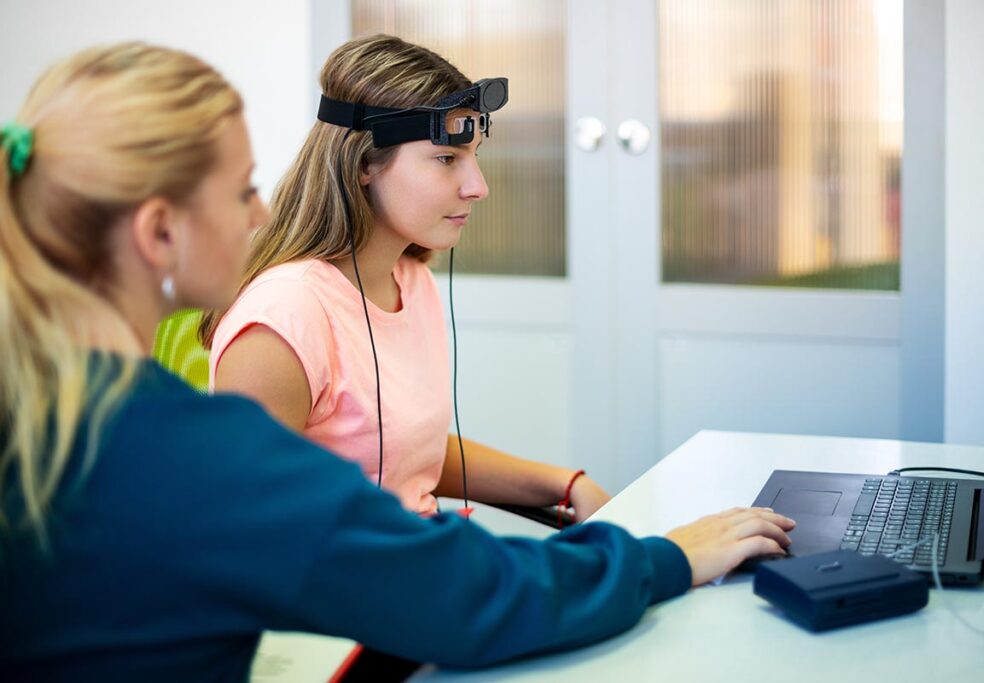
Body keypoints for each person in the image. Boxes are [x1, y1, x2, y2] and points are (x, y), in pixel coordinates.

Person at [0, 41, 795, 682]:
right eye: (241, 189)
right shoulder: (195, 448)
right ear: (157, 232)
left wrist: (560, 486)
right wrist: (665, 557)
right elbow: (463, 597)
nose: (260, 210)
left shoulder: (52, 410)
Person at [201, 34, 610, 520]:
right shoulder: (283, 320)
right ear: (364, 166)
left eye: (474, 156)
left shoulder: (411, 281)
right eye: (446, 159)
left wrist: (566, 485)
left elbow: (412, 451)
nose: (478, 186)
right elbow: (248, 531)